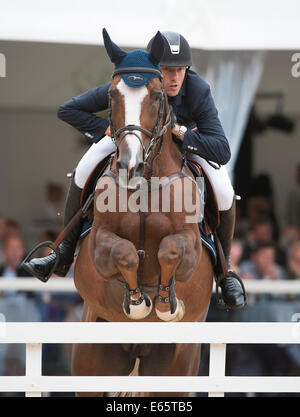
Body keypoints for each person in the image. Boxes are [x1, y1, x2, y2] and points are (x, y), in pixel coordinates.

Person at [22, 30, 246, 309]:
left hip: (184, 149)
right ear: (153, 69)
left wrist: (182, 133)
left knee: (224, 189)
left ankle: (226, 273)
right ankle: (63, 251)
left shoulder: (198, 90)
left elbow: (222, 149)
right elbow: (68, 110)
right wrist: (107, 131)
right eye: (166, 70)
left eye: (180, 70)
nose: (174, 78)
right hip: (130, 143)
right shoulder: (132, 84)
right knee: (83, 168)